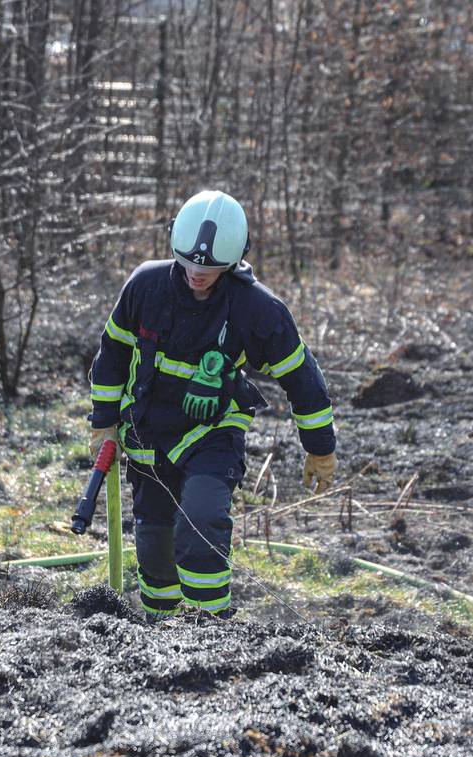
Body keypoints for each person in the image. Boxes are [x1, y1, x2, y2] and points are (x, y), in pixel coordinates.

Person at [87, 190, 337, 621]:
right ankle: (156, 634)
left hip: (212, 434)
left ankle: (212, 635)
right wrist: (104, 422)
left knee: (201, 523)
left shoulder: (256, 309)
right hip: (148, 436)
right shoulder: (145, 287)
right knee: (155, 551)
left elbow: (302, 378)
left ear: (235, 259)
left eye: (210, 268)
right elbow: (112, 354)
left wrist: (320, 447)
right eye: (189, 264)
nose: (197, 274)